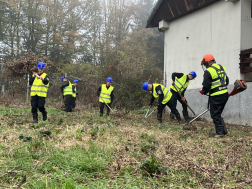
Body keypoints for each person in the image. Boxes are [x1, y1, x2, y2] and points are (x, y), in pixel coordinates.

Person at [199, 54, 229, 138]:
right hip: (225, 94)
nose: (205, 66)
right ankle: (223, 130)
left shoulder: (208, 71)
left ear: (208, 63)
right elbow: (226, 81)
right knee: (218, 113)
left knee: (215, 114)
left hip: (216, 96)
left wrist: (203, 91)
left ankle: (219, 134)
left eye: (205, 64)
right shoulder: (221, 68)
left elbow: (206, 85)